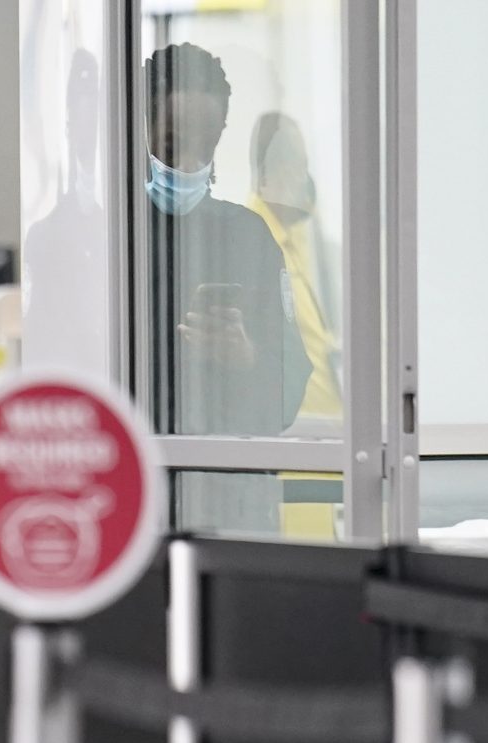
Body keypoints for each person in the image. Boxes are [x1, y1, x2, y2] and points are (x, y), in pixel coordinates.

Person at [141, 42, 306, 532]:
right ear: (138, 130)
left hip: (231, 503)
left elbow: (288, 390)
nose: (189, 161)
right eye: (173, 143)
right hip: (135, 499)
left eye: (205, 143)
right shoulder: (110, 239)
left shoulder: (247, 236)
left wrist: (245, 357)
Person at [246, 111, 341, 420]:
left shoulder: (299, 233)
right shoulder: (249, 239)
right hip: (296, 443)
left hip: (334, 432)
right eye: (300, 165)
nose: (304, 178)